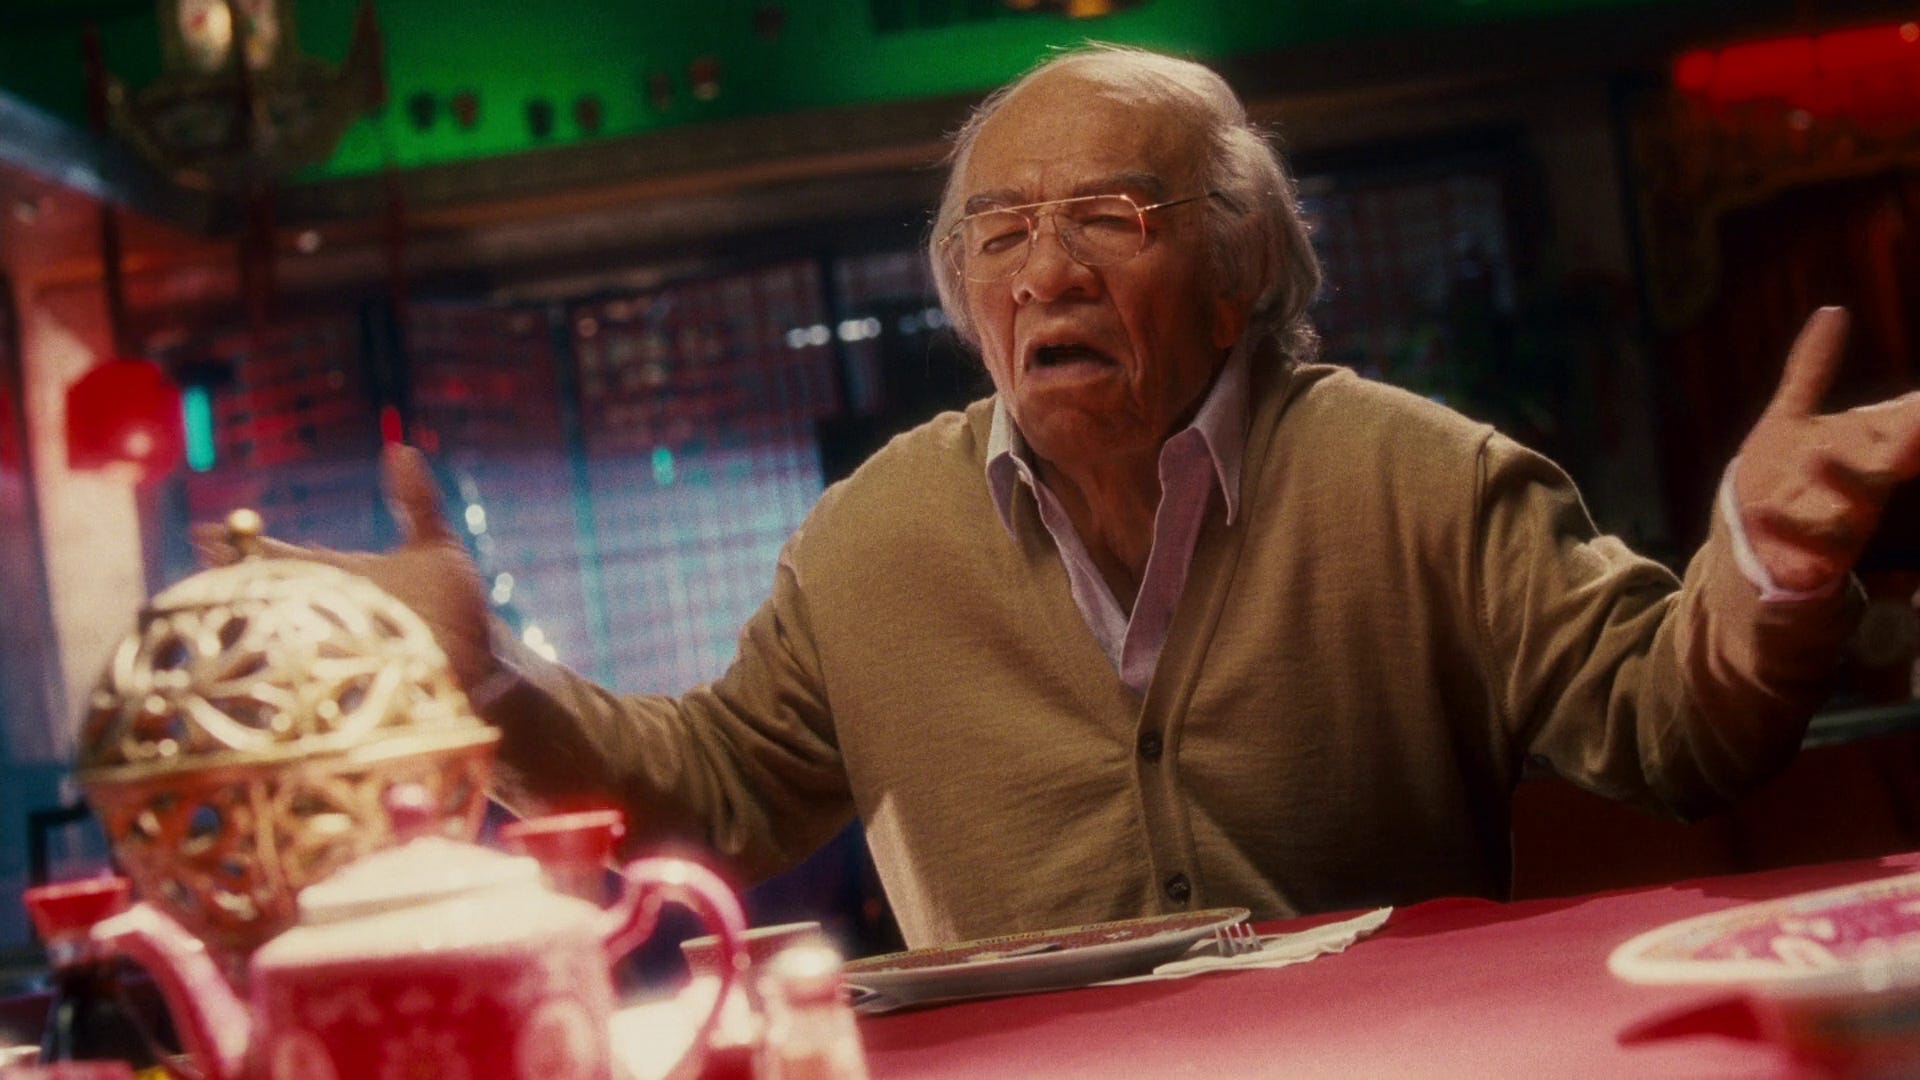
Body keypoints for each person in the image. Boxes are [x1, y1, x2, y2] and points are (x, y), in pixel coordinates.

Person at [199, 45, 1920, 948]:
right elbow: (712, 796)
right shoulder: (874, 536)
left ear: (1238, 272)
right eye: (1001, 234)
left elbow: (1672, 727)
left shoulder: (1420, 477)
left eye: (1111, 216)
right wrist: (487, 687)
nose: (1047, 270)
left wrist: (1764, 573)